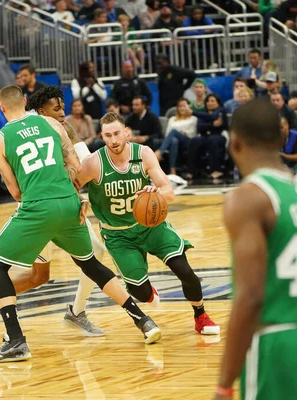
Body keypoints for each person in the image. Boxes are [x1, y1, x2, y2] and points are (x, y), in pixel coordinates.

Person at [0, 86, 162, 362]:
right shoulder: (51, 123)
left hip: (38, 208)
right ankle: (143, 321)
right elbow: (75, 165)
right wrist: (78, 198)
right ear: (26, 102)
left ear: (2, 108)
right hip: (70, 204)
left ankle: (15, 340)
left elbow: (15, 192)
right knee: (91, 264)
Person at [212, 97, 297, 400]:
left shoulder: (248, 198)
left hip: (276, 346)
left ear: (235, 143)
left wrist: (224, 384)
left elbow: (251, 296)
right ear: (282, 136)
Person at [0, 86, 109, 338]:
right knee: (40, 274)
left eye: (63, 107)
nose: (63, 112)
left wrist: (81, 195)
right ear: (40, 111)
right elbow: (21, 187)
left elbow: (81, 168)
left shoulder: (63, 128)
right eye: (57, 108)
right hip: (38, 208)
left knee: (71, 262)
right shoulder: (28, 130)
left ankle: (76, 311)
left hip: (64, 203)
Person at [77, 112, 220, 335]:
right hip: (118, 235)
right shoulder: (94, 163)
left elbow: (168, 190)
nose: (113, 140)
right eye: (107, 136)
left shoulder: (143, 153)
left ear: (126, 132)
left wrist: (157, 193)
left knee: (184, 270)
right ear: (102, 137)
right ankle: (146, 290)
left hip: (151, 226)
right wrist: (80, 200)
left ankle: (200, 316)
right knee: (142, 293)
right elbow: (71, 186)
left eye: (116, 134)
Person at [155, 98, 197, 178]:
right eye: (180, 106)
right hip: (175, 143)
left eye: (184, 106)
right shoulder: (172, 119)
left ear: (189, 107)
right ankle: (173, 170)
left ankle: (160, 152)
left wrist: (183, 132)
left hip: (188, 142)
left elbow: (193, 134)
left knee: (174, 132)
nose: (182, 108)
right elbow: (167, 135)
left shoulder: (193, 119)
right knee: (174, 140)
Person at [189, 94, 228, 180]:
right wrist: (212, 124)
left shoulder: (221, 110)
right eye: (208, 101)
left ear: (218, 103)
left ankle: (216, 170)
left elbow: (214, 117)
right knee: (195, 140)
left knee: (213, 140)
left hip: (219, 135)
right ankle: (192, 171)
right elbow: (200, 127)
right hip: (205, 136)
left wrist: (194, 113)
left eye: (212, 101)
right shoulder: (203, 113)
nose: (209, 103)